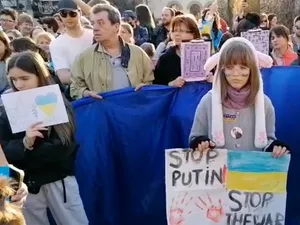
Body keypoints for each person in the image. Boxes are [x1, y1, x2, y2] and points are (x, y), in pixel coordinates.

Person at [0, 51, 89, 224]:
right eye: (14, 79)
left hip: (58, 179)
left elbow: (65, 145)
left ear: (40, 75)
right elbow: (4, 149)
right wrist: (26, 143)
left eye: (25, 78)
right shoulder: (7, 106)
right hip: (27, 183)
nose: (19, 84)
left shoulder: (57, 101)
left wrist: (28, 151)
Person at [189, 37, 290, 157]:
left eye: (242, 67)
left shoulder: (265, 103)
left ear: (252, 70)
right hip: (218, 173)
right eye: (230, 67)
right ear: (222, 69)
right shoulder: (208, 101)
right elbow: (195, 137)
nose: (236, 74)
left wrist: (275, 147)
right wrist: (200, 143)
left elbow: (268, 140)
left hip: (251, 173)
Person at [70, 4, 154, 100]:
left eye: (101, 23)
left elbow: (150, 82)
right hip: (103, 112)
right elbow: (75, 88)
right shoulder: (83, 58)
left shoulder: (138, 54)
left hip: (133, 111)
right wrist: (85, 93)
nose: (95, 28)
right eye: (93, 23)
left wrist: (145, 88)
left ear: (116, 27)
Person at [154, 15, 201, 87]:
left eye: (181, 31)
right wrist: (171, 84)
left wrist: (212, 78)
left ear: (193, 34)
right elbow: (157, 86)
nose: (177, 34)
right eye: (174, 31)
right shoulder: (165, 58)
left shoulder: (204, 55)